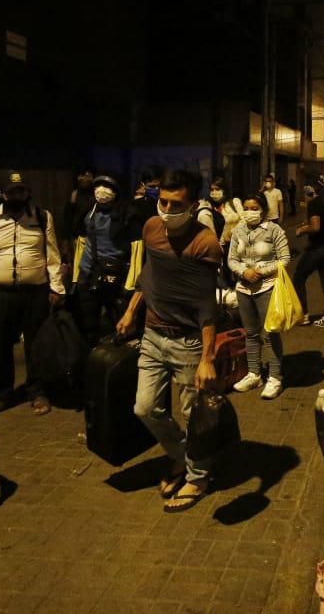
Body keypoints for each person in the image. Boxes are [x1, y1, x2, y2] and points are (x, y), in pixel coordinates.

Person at [116, 169, 225, 512]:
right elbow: (148, 274)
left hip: (189, 341)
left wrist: (207, 358)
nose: (166, 209)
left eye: (176, 204)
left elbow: (207, 306)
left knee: (195, 415)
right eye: (162, 201)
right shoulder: (151, 228)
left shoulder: (204, 243)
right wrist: (131, 311)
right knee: (145, 408)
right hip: (152, 334)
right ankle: (180, 455)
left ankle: (198, 477)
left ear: (193, 205)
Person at [0, 171, 65, 417]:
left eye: (21, 191)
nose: (17, 196)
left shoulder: (42, 217)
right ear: (2, 195)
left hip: (36, 293)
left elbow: (52, 256)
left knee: (36, 345)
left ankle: (37, 391)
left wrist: (56, 287)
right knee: (0, 346)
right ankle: (2, 394)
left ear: (28, 192)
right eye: (12, 192)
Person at [227, 193, 291, 399]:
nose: (249, 212)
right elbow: (231, 259)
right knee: (251, 333)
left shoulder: (274, 230)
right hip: (243, 289)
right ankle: (254, 374)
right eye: (246, 208)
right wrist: (243, 272)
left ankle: (275, 377)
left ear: (263, 210)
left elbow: (285, 259)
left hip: (267, 288)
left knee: (270, 334)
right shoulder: (238, 230)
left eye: (254, 208)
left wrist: (261, 272)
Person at [74, 174, 131, 341]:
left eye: (108, 186)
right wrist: (76, 278)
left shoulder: (127, 213)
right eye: (98, 186)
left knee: (116, 326)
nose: (102, 190)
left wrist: (130, 285)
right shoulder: (89, 210)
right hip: (88, 273)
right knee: (88, 326)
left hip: (114, 275)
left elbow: (136, 248)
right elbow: (81, 241)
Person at [294, 177, 324, 328]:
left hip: (317, 249)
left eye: (305, 187)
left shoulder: (314, 203)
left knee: (298, 277)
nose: (304, 191)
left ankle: (303, 315)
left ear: (311, 189)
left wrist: (302, 229)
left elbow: (315, 227)